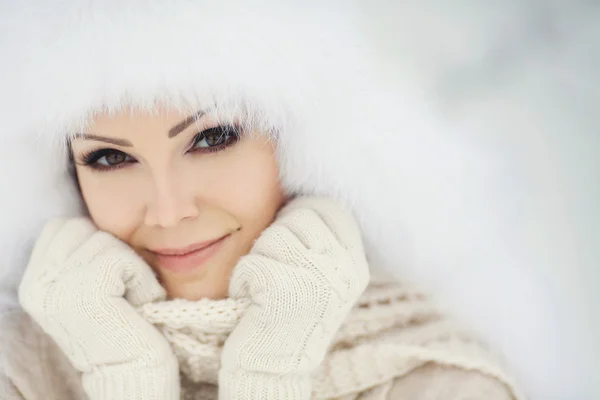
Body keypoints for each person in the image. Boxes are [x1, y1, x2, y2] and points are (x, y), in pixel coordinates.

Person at [5, 1, 594, 399]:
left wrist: (270, 372)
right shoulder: (19, 368)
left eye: (212, 138)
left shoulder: (435, 376)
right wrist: (122, 376)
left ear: (300, 145)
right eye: (110, 158)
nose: (167, 209)